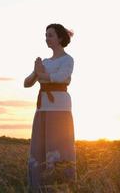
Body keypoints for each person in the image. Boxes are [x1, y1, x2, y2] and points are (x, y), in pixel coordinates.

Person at [24, 23, 76, 192]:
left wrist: (41, 75)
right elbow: (27, 83)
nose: (47, 38)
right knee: (40, 147)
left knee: (59, 146)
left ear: (60, 38)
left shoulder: (68, 59)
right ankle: (39, 187)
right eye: (46, 35)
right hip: (42, 108)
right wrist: (36, 71)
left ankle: (61, 186)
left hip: (60, 108)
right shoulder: (44, 62)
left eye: (51, 35)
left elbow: (61, 77)